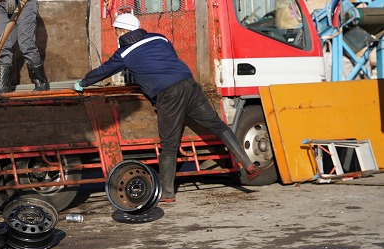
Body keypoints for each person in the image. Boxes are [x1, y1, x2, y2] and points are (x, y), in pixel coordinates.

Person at [74, 12, 259, 203]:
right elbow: (168, 58)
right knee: (218, 126)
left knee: (169, 145)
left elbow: (103, 71)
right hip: (189, 83)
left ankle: (168, 193)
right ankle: (247, 163)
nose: (116, 36)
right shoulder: (158, 37)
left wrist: (83, 82)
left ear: (122, 31)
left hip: (168, 94)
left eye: (116, 32)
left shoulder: (124, 53)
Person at [0, 0, 49, 93]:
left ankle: (41, 83)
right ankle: (3, 87)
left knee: (26, 44)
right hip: (2, 1)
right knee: (2, 45)